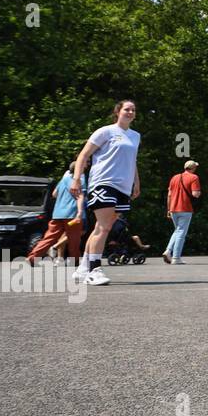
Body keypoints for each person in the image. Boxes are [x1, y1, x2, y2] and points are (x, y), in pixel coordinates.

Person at [70, 101, 142, 286]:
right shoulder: (105, 131)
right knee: (104, 227)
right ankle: (94, 270)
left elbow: (132, 161)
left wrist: (136, 182)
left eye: (133, 110)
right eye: (127, 109)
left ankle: (82, 268)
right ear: (118, 111)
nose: (130, 112)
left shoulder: (135, 136)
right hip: (103, 182)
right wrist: (77, 178)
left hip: (123, 187)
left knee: (100, 228)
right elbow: (84, 155)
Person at [27, 162, 85, 265]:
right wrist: (80, 212)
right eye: (84, 165)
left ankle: (32, 258)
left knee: (49, 238)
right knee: (74, 239)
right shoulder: (79, 180)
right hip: (72, 214)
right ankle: (75, 260)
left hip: (58, 213)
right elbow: (80, 196)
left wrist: (64, 198)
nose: (86, 166)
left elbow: (54, 194)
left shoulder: (63, 179)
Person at [163, 160, 202, 264]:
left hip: (173, 208)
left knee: (177, 231)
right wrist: (199, 193)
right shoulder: (194, 177)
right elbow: (195, 194)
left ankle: (168, 251)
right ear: (193, 168)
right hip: (185, 208)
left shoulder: (175, 177)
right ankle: (176, 258)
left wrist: (168, 209)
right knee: (181, 233)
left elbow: (169, 195)